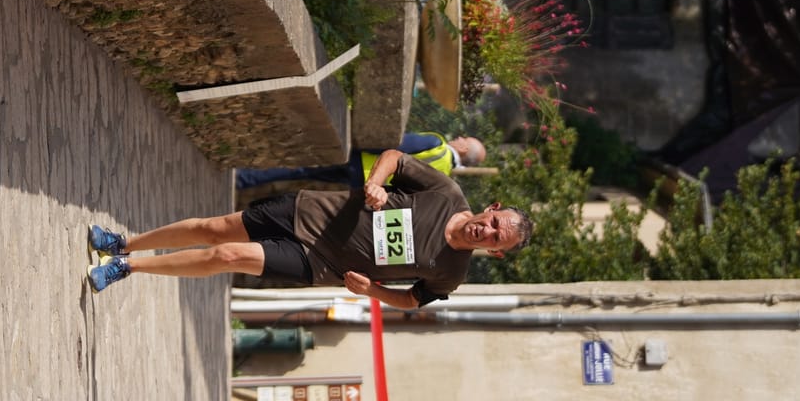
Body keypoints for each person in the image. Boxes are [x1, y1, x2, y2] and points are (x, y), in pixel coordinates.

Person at [86, 145, 531, 308]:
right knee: (216, 227)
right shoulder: (446, 192)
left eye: (497, 238)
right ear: (490, 208)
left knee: (227, 257)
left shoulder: (451, 273)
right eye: (494, 222)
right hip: (308, 212)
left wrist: (370, 291)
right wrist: (376, 183)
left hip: (318, 263)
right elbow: (396, 158)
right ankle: (124, 242)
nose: (487, 231)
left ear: (496, 252)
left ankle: (128, 269)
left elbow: (414, 300)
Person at [233, 131, 486, 194]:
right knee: (306, 174)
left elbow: (396, 144)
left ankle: (244, 178)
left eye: (464, 138)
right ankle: (246, 180)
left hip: (362, 160)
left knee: (301, 165)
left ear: (464, 149)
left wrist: (358, 142)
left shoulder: (437, 144)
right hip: (365, 182)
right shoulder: (443, 178)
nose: (459, 137)